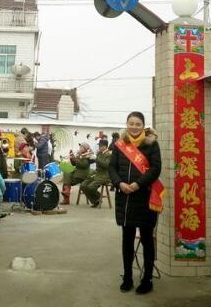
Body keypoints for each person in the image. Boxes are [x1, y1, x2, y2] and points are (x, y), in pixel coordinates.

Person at [109, 111, 164, 295]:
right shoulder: (119, 145)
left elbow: (156, 169)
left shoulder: (151, 144)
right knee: (127, 238)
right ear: (127, 124)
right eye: (130, 123)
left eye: (137, 124)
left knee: (147, 238)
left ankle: (147, 279)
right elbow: (112, 167)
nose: (134, 126)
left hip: (145, 197)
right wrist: (119, 183)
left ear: (143, 125)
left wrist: (138, 184)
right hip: (125, 197)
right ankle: (127, 277)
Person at [81, 139, 112, 207]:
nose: (99, 147)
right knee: (83, 185)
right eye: (99, 146)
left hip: (104, 175)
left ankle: (97, 199)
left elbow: (106, 165)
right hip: (97, 173)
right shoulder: (100, 153)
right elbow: (96, 161)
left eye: (101, 146)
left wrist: (96, 158)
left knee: (91, 187)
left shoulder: (109, 154)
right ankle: (96, 200)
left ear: (105, 146)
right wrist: (89, 158)